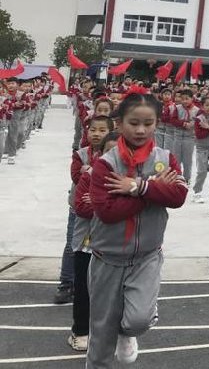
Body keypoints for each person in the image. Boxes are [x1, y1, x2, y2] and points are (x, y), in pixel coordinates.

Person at [87, 90, 188, 367]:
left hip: (146, 257)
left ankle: (127, 332)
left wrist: (137, 187)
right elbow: (107, 212)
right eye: (134, 123)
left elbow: (178, 197)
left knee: (138, 320)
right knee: (100, 338)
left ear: (157, 122)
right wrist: (153, 190)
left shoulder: (166, 159)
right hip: (107, 259)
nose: (141, 130)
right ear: (119, 123)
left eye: (148, 123)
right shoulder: (106, 165)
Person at [67, 126, 116, 351]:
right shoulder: (89, 174)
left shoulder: (127, 178)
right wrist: (109, 203)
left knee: (110, 291)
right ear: (100, 154)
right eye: (109, 152)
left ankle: (105, 332)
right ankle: (80, 330)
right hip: (86, 243)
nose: (113, 157)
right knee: (84, 288)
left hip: (113, 245)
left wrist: (99, 202)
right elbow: (81, 207)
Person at [190, 96, 209, 203]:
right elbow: (199, 135)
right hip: (202, 148)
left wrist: (208, 127)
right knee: (202, 171)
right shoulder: (199, 118)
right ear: (202, 106)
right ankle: (197, 192)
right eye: (207, 105)